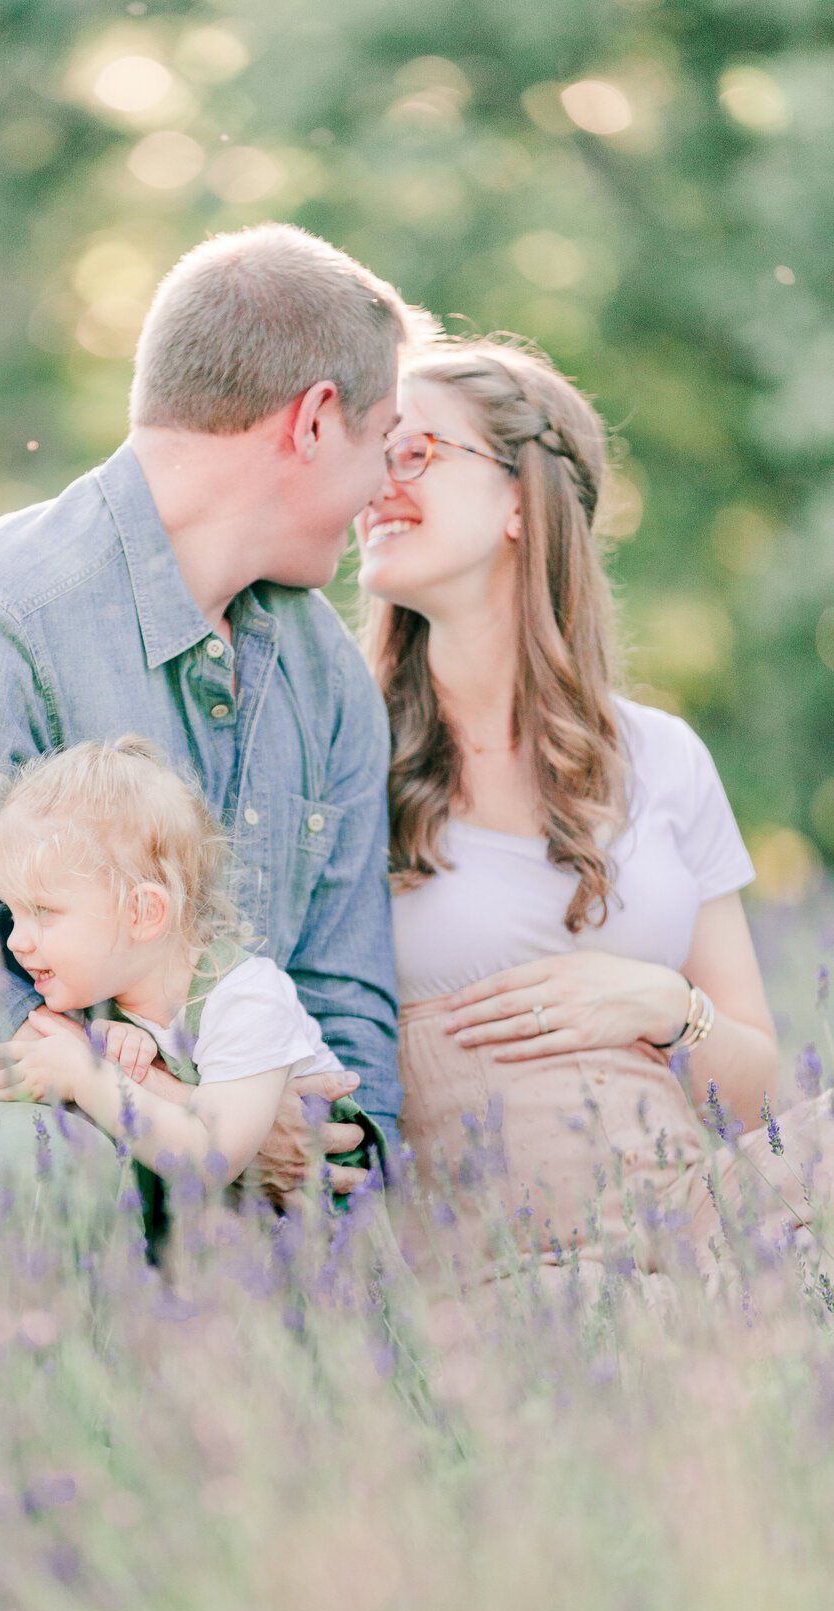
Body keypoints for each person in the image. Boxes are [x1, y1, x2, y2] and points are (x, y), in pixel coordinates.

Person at [0, 223, 422, 1195]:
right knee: (55, 1177)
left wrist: (326, 1144)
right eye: (384, 444)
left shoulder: (329, 676)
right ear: (313, 421)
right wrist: (179, 1113)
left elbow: (347, 989)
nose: (386, 486)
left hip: (257, 1178)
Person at [359, 334, 820, 1291]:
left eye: (414, 452)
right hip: (483, 1253)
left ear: (521, 496)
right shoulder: (338, 758)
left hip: (690, 1215)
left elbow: (756, 1097)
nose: (375, 484)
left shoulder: (664, 758)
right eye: (370, 455)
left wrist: (666, 1008)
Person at [0, 737, 379, 1210]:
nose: (17, 939)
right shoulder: (103, 996)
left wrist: (87, 1076)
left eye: (43, 911)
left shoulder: (247, 1002)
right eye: (13, 911)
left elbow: (210, 1160)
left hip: (314, 1253)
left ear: (143, 913)